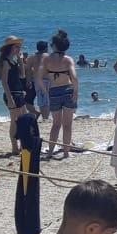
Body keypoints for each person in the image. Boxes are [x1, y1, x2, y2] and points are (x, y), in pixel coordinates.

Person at [43, 30, 78, 160]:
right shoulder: (68, 60)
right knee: (67, 125)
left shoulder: (47, 59)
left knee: (56, 124)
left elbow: (39, 78)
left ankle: (50, 152)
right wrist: (76, 92)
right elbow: (74, 78)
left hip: (54, 91)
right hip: (68, 90)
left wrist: (45, 91)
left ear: (55, 45)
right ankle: (66, 153)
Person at [0, 36, 28, 155]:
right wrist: (10, 99)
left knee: (23, 120)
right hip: (12, 94)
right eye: (16, 47)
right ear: (10, 48)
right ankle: (15, 147)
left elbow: (22, 75)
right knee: (15, 121)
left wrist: (20, 60)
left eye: (19, 47)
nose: (19, 49)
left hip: (18, 93)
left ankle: (21, 145)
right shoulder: (5, 62)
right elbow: (4, 82)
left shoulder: (13, 61)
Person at [26, 41, 50, 120]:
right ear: (46, 48)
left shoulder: (31, 58)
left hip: (37, 81)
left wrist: (28, 81)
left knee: (41, 99)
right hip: (48, 80)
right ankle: (46, 117)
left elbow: (28, 70)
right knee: (47, 99)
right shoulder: (48, 56)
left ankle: (44, 117)